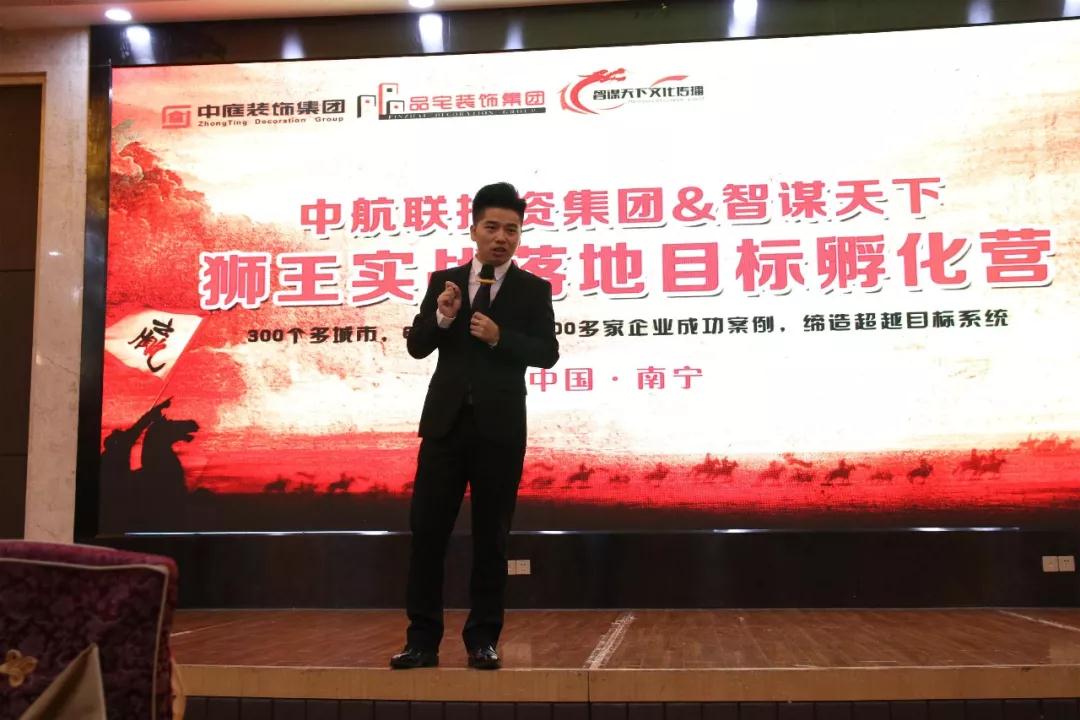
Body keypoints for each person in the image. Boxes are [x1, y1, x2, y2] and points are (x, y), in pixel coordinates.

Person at [390, 182, 559, 670]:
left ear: (519, 235)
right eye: (492, 227)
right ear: (473, 230)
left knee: (492, 538)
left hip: (499, 431)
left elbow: (547, 353)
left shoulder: (533, 289)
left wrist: (501, 336)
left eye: (512, 229)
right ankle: (421, 641)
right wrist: (442, 319)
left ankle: (482, 638)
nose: (501, 237)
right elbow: (418, 347)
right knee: (427, 534)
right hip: (445, 428)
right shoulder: (444, 282)